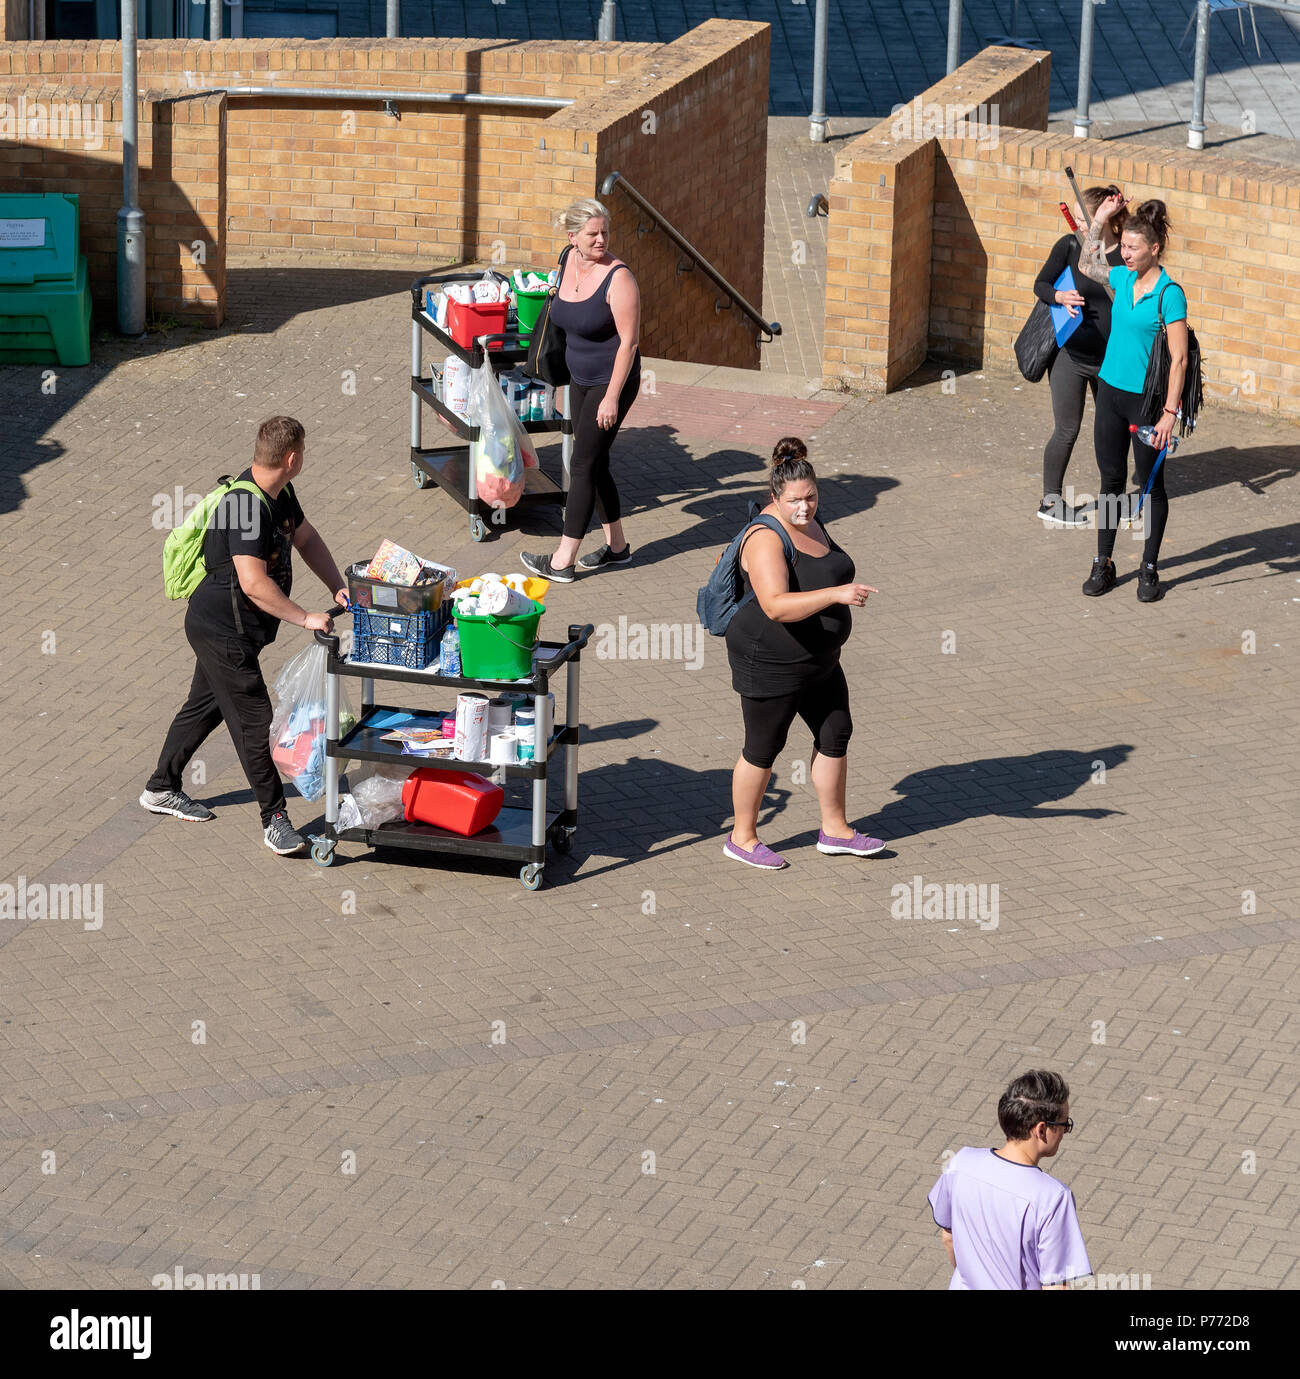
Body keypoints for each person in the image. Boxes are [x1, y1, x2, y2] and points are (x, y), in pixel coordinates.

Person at [141, 417, 348, 855]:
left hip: (234, 629)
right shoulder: (246, 507)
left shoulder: (279, 492)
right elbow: (253, 583)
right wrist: (306, 617)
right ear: (292, 459)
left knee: (206, 705)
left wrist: (337, 585)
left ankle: (161, 787)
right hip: (221, 632)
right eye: (304, 453)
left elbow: (307, 539)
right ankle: (275, 820)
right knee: (254, 720)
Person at [723, 438, 882, 870]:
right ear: (775, 497)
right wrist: (837, 594)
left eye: (811, 497)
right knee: (763, 746)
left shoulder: (813, 520)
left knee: (836, 732)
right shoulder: (764, 538)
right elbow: (775, 605)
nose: (805, 507)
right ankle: (742, 837)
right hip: (770, 660)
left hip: (819, 658)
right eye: (795, 500)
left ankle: (836, 831)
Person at [521, 197, 641, 584]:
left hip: (612, 383)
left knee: (582, 464)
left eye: (605, 231)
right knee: (596, 461)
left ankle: (562, 561)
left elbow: (629, 344)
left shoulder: (619, 278)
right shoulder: (566, 261)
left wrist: (611, 398)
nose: (601, 239)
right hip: (579, 380)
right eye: (593, 234)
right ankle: (618, 548)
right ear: (573, 237)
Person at [1075, 197, 1189, 602]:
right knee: (1110, 481)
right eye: (1123, 246)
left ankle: (1149, 568)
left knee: (1152, 485)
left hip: (1148, 403)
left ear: (1154, 249)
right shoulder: (1122, 279)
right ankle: (1103, 563)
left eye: (1133, 248)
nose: (1125, 253)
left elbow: (1179, 359)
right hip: (1110, 394)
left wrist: (1169, 414)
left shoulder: (1169, 294)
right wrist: (1101, 219)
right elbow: (1087, 265)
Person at [927, 1069, 1092, 1290]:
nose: (1064, 1133)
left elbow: (949, 1238)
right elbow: (1057, 1285)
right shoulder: (1052, 1198)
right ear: (1041, 1129)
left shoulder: (960, 1164)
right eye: (1064, 1125)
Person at [1032, 185, 1126, 526]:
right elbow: (1040, 285)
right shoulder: (1070, 245)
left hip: (1111, 363)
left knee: (1112, 433)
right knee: (1066, 429)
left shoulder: (1125, 253)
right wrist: (1059, 296)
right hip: (1070, 357)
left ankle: (1114, 504)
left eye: (1083, 218)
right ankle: (1050, 502)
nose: (1077, 224)